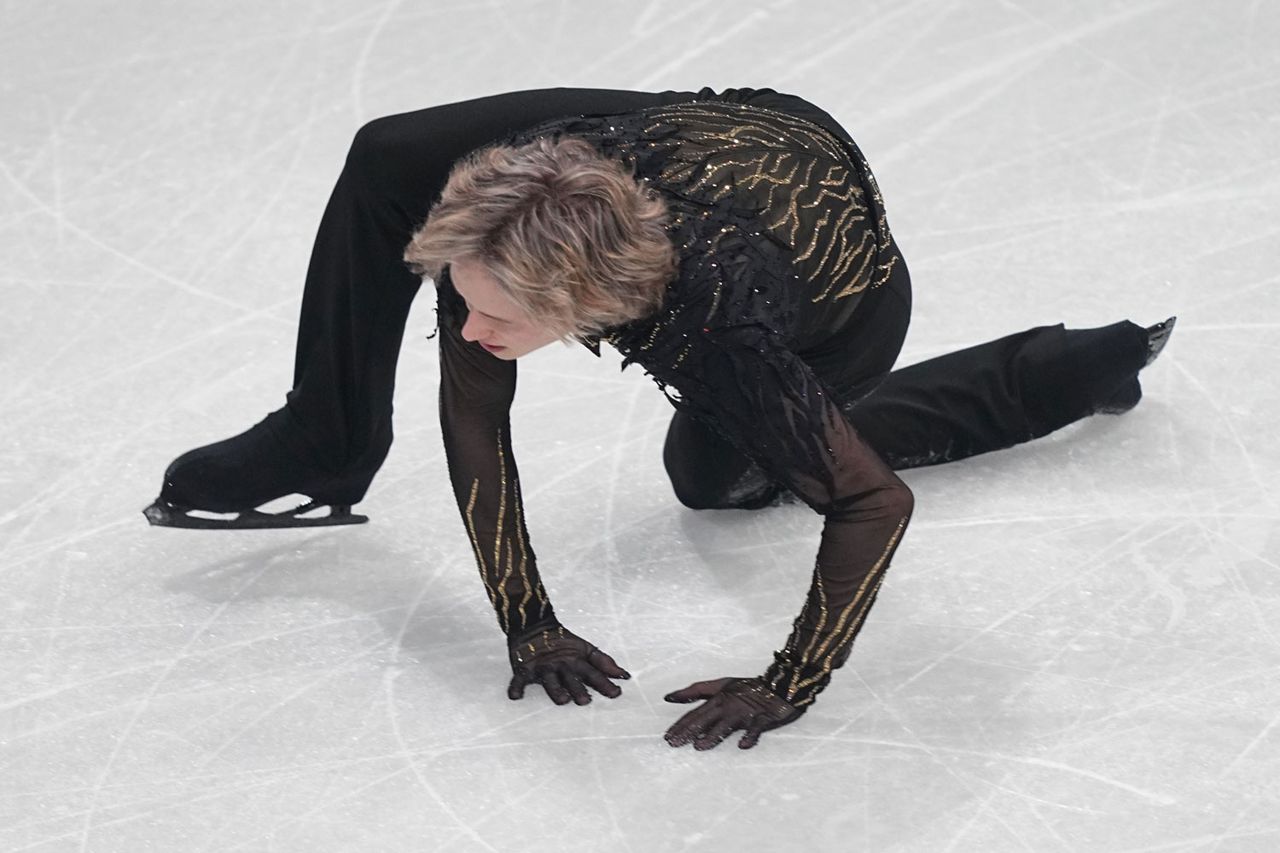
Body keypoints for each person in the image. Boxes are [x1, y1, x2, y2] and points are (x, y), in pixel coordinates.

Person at [144, 86, 1174, 751]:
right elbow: (475, 420)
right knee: (388, 154)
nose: (467, 328)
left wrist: (788, 684)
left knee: (716, 478)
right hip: (711, 149)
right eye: (464, 297)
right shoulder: (520, 207)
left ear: (577, 302)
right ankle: (326, 436)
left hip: (839, 298)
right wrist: (527, 621)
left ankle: (1062, 369)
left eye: (492, 314)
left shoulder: (713, 324)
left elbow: (872, 503)